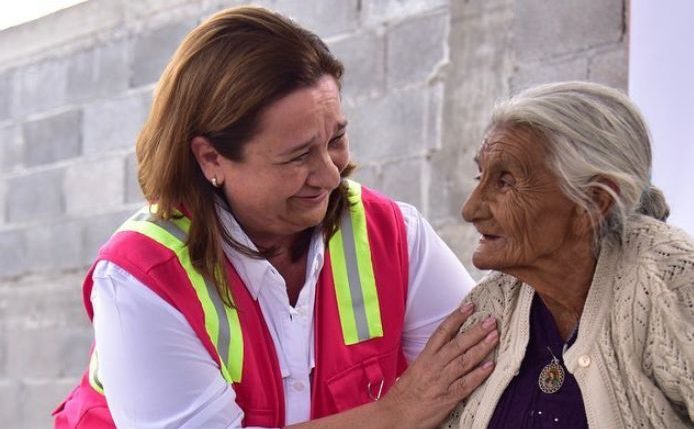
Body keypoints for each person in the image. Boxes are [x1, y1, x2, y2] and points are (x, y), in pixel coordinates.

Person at [52, 6, 499, 429]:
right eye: (298, 155)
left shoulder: (393, 234)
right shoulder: (141, 277)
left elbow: (483, 376)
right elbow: (417, 407)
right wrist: (394, 415)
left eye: (336, 138)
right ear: (211, 159)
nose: (330, 173)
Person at [441, 81, 694, 429]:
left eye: (506, 181)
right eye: (480, 175)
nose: (470, 209)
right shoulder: (489, 310)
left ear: (592, 203)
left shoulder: (670, 284)